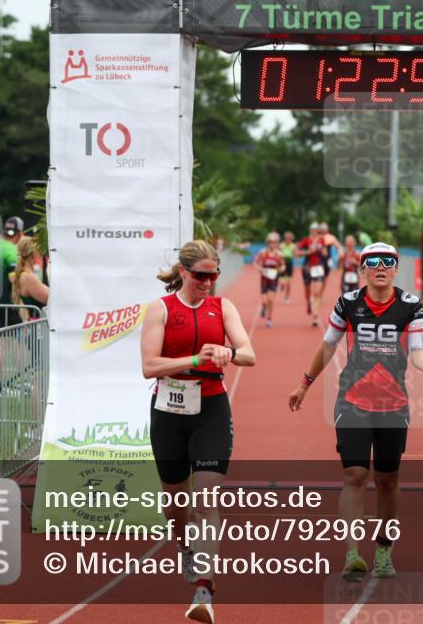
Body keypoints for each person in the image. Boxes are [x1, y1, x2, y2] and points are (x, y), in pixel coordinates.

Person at [288, 242, 423, 582]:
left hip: (393, 404)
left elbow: (418, 352)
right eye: (372, 262)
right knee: (355, 476)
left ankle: (383, 550)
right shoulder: (348, 303)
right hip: (353, 400)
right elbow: (329, 345)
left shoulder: (410, 305)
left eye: (387, 261)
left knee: (388, 481)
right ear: (361, 269)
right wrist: (305, 382)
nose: (380, 266)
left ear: (395, 268)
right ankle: (352, 554)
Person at [140, 240, 256, 624]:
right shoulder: (160, 309)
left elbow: (249, 353)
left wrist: (228, 353)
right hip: (169, 413)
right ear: (184, 272)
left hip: (211, 410)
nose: (208, 283)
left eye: (214, 276)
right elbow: (149, 366)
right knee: (176, 505)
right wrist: (195, 358)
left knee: (205, 498)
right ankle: (184, 544)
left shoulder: (222, 307)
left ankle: (204, 589)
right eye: (201, 276)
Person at [0, 217, 24, 329]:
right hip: (7, 302)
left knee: (3, 336)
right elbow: (12, 279)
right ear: (20, 233)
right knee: (23, 336)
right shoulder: (11, 249)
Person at [11, 237, 49, 320]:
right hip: (37, 329)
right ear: (33, 254)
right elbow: (50, 298)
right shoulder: (28, 277)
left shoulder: (25, 274)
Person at [298, 223, 328, 326]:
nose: (315, 231)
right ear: (310, 230)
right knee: (307, 291)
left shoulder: (321, 240)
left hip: (319, 267)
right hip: (307, 267)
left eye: (316, 229)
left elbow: (325, 253)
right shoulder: (306, 240)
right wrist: (309, 252)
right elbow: (297, 253)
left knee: (317, 292)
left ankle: (315, 315)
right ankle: (308, 303)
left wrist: (322, 251)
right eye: (313, 229)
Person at [253, 232, 284, 328]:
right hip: (264, 280)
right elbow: (255, 262)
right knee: (264, 301)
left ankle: (269, 319)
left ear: (277, 243)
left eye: (274, 242)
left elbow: (283, 266)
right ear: (268, 242)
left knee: (270, 300)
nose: (272, 244)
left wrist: (281, 269)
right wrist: (259, 269)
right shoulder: (263, 252)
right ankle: (264, 307)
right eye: (271, 242)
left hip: (274, 279)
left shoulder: (279, 254)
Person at [279, 231, 297, 305]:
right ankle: (282, 284)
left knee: (289, 283)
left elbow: (295, 254)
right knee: (282, 281)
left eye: (289, 238)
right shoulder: (281, 245)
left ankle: (286, 298)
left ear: (291, 239)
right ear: (285, 238)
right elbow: (278, 253)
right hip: (282, 262)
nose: (288, 239)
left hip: (289, 263)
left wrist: (296, 256)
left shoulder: (293, 246)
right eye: (287, 238)